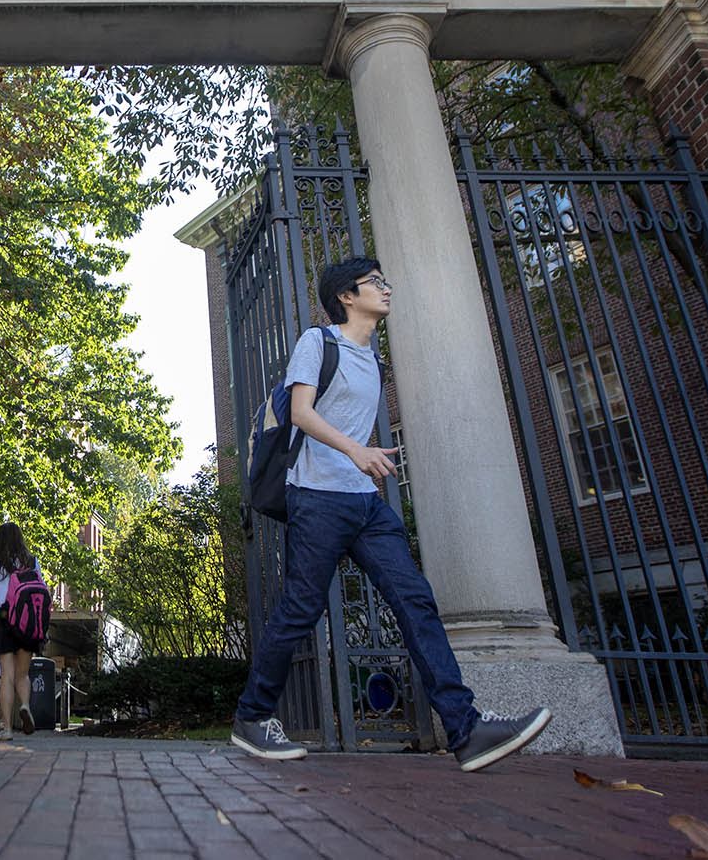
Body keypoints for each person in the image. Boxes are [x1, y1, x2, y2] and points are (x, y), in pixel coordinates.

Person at [230, 256, 553, 772]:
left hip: (364, 502)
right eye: (374, 283)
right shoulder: (320, 342)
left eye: (383, 280)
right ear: (346, 297)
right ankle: (252, 718)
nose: (385, 288)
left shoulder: (372, 359)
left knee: (415, 601)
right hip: (316, 497)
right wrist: (358, 452)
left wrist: (363, 459)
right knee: (299, 611)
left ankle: (466, 730)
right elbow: (300, 412)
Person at [0, 522, 42, 740]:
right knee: (23, 675)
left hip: (2, 621)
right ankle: (25, 706)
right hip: (27, 623)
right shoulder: (32, 561)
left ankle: (8, 729)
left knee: (6, 678)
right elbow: (40, 593)